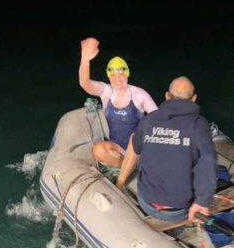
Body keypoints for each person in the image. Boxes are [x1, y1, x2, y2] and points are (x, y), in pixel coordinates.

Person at [116, 76, 216, 223]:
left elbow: (136, 147)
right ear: (193, 99)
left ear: (167, 96)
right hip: (178, 211)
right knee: (205, 157)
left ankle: (120, 181)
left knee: (135, 138)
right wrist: (202, 201)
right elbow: (208, 160)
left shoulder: (149, 119)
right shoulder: (199, 124)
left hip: (147, 203)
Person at [78, 37, 158, 168]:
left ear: (127, 74)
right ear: (108, 77)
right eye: (113, 76)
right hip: (117, 151)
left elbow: (159, 119)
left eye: (121, 75)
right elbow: (85, 83)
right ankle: (125, 168)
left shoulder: (139, 94)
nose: (118, 80)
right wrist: (85, 59)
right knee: (98, 149)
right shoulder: (106, 91)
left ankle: (127, 168)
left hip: (138, 151)